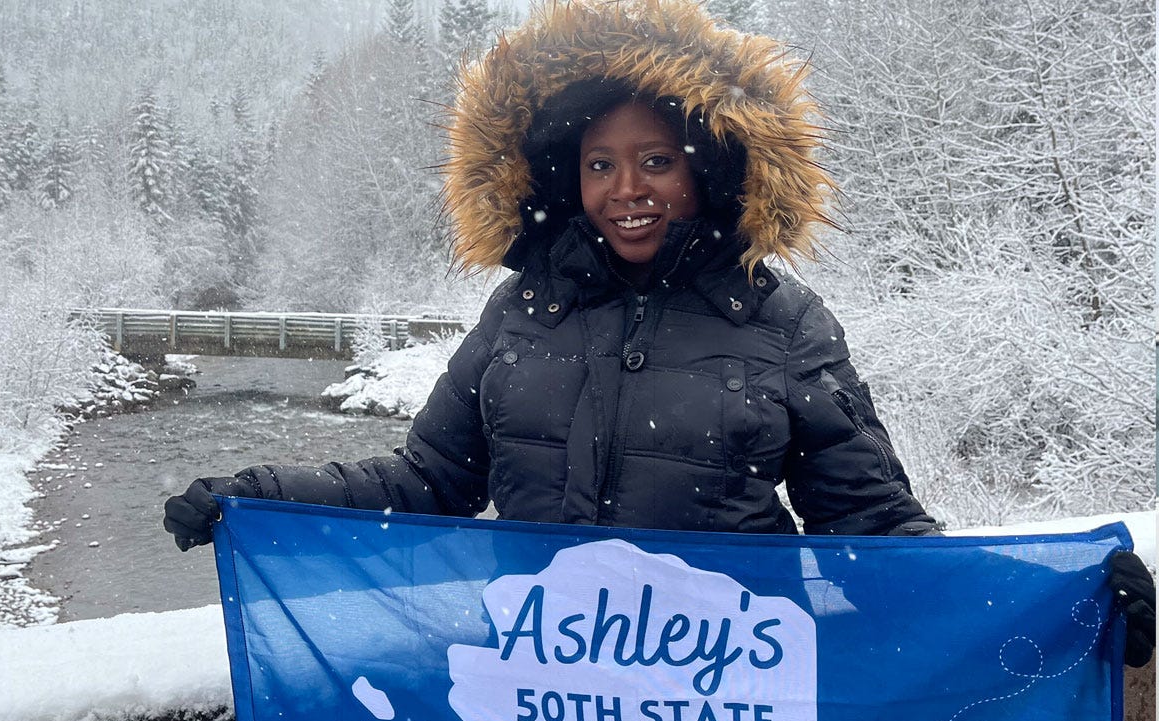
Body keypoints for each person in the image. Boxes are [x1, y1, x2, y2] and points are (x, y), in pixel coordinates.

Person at [163, 0, 1153, 664]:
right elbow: (428, 484)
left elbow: (874, 532)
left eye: (655, 160)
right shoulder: (522, 312)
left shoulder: (781, 321)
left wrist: (1054, 603)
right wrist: (258, 498)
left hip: (730, 714)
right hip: (545, 695)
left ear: (708, 166)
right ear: (565, 178)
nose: (627, 190)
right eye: (600, 165)